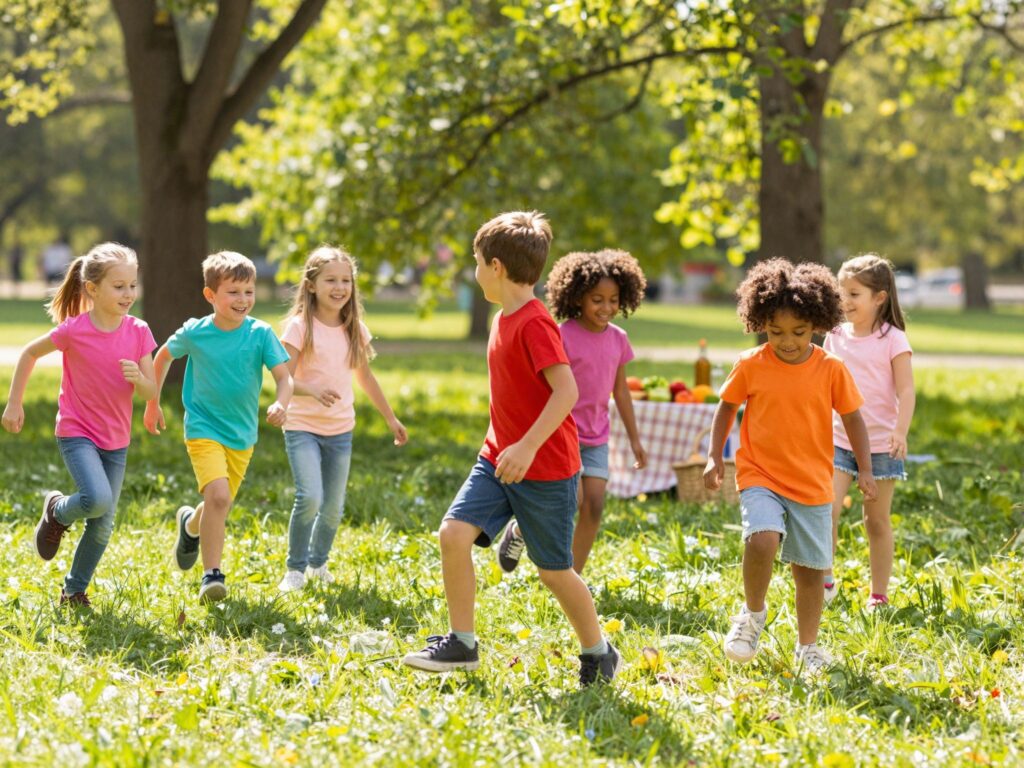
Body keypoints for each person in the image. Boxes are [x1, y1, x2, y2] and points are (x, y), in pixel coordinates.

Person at [401, 211, 621, 686]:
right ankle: (462, 642)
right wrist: (507, 444)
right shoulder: (501, 319)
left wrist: (525, 446)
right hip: (498, 459)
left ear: (496, 266)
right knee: (452, 535)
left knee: (554, 572)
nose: (475, 271)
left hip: (545, 469)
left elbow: (566, 393)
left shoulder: (535, 324)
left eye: (477, 262)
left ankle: (598, 652)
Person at [703, 258, 877, 673]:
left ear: (817, 324)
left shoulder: (831, 369)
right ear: (760, 321)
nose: (787, 341)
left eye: (798, 332)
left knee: (810, 573)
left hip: (813, 482)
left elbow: (853, 418)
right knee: (761, 539)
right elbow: (726, 408)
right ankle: (752, 616)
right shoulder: (751, 364)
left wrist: (866, 469)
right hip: (760, 474)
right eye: (775, 331)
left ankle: (808, 647)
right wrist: (714, 456)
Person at [1, 243, 157, 607]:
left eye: (132, 285)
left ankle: (73, 591)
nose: (128, 294)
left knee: (103, 523)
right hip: (76, 431)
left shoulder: (139, 331)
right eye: (119, 286)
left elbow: (151, 388)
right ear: (92, 289)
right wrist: (13, 402)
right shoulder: (75, 330)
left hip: (116, 438)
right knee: (97, 500)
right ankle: (57, 511)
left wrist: (141, 381)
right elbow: (29, 353)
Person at [144, 251, 292, 603]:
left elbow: (284, 377)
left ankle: (190, 526)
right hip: (202, 426)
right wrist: (152, 402)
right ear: (211, 295)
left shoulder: (260, 333)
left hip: (242, 435)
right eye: (233, 292)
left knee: (216, 504)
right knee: (219, 497)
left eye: (249, 291)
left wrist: (281, 402)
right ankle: (212, 575)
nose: (243, 300)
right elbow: (163, 355)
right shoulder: (196, 331)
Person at [497, 248, 648, 575]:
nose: (606, 307)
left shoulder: (619, 339)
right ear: (578, 297)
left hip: (596, 438)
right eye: (597, 299)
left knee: (593, 507)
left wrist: (635, 440)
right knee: (570, 503)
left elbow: (620, 391)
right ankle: (521, 531)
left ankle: (574, 578)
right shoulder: (562, 335)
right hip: (561, 434)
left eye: (613, 299)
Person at [277, 246, 407, 593]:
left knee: (333, 507)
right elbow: (283, 377)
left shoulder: (354, 328)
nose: (339, 287)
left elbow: (365, 377)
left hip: (340, 430)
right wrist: (312, 390)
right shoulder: (299, 326)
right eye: (330, 280)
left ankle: (318, 563)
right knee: (311, 497)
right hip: (302, 425)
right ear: (312, 285)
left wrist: (390, 419)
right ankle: (295, 569)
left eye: (346, 280)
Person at [822, 254, 915, 610]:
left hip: (880, 446)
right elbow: (825, 387)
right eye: (841, 292)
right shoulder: (834, 336)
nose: (845, 301)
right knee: (826, 510)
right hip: (839, 439)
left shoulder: (893, 339)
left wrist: (900, 431)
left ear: (879, 298)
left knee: (875, 520)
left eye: (854, 294)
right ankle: (825, 580)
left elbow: (906, 391)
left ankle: (878, 595)